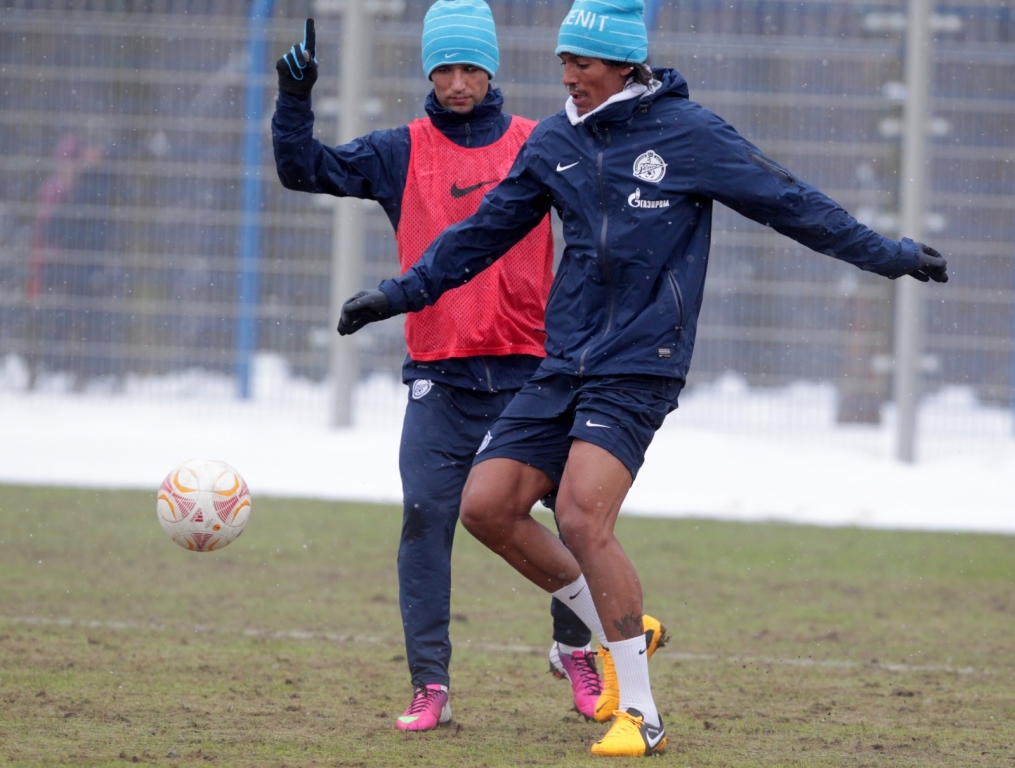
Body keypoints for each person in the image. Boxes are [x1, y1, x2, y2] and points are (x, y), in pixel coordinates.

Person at [336, 0, 949, 756]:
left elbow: (791, 204)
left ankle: (644, 714)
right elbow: (481, 234)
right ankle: (616, 626)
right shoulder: (556, 140)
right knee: (487, 507)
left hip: (640, 363)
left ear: (624, 65)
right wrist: (396, 294)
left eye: (583, 65)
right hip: (563, 362)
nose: (568, 77)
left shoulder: (687, 135)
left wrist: (887, 254)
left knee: (582, 518)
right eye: (562, 62)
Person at [271, 1, 604, 731]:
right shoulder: (400, 151)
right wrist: (293, 103)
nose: (457, 82)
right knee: (425, 518)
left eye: (470, 68)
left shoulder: (538, 143)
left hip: (531, 374)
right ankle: (431, 686)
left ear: (491, 70)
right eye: (444, 68)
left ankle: (575, 650)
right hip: (440, 378)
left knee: (575, 515)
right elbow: (304, 171)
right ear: (429, 72)